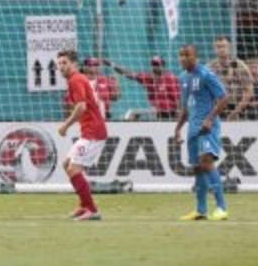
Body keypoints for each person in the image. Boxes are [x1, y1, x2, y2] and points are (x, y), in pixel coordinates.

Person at [174, 43, 229, 222]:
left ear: (195, 56)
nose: (183, 58)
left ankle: (222, 208)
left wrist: (210, 119)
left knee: (207, 163)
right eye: (181, 55)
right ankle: (201, 210)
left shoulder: (206, 74)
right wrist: (177, 128)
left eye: (187, 55)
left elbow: (224, 98)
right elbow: (185, 107)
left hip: (207, 127)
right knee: (197, 168)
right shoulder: (183, 77)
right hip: (192, 127)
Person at [55, 49, 105, 221]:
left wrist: (65, 126)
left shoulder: (76, 79)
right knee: (67, 163)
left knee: (73, 169)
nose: (61, 67)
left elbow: (81, 107)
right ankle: (84, 205)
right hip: (89, 131)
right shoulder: (76, 80)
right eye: (59, 64)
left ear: (74, 64)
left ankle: (92, 209)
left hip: (93, 133)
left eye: (64, 63)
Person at [102, 55, 180, 119]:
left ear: (163, 66)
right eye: (153, 64)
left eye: (157, 65)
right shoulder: (148, 78)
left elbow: (178, 99)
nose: (155, 67)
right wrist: (111, 64)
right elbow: (128, 73)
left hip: (171, 113)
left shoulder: (170, 79)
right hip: (157, 112)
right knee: (132, 114)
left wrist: (178, 116)